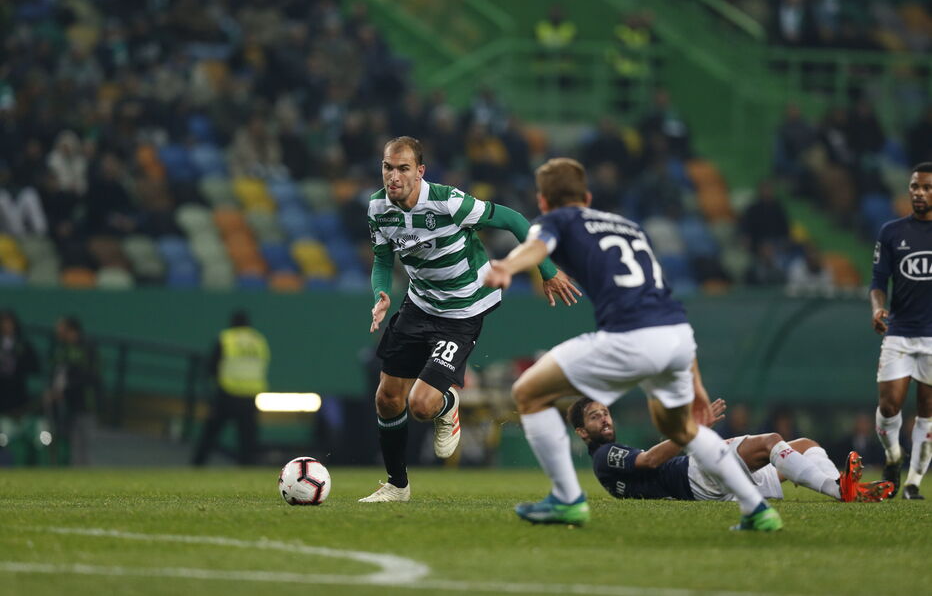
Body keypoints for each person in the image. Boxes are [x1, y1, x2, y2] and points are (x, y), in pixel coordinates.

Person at [483, 157, 782, 530]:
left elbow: (535, 246)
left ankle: (566, 499)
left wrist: (506, 268)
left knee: (527, 393)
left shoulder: (557, 219)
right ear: (587, 196)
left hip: (629, 336)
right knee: (683, 429)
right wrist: (696, 382)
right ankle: (756, 508)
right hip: (675, 336)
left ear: (543, 201)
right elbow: (664, 297)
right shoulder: (629, 226)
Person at [361, 136, 580, 502]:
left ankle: (448, 404)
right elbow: (383, 260)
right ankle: (397, 486)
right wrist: (380, 294)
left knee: (421, 405)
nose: (393, 176)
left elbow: (513, 219)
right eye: (387, 167)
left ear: (420, 172)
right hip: (419, 304)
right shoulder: (377, 208)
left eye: (403, 168)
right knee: (386, 398)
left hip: (462, 311)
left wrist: (546, 268)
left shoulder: (448, 201)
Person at [568, 396, 894, 504]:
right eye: (595, 418)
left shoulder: (605, 463)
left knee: (807, 445)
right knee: (770, 441)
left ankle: (842, 485)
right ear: (583, 432)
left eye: (605, 412)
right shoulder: (604, 455)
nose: (605, 419)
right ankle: (839, 489)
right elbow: (651, 459)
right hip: (696, 474)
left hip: (703, 487)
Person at [869, 162, 932, 500]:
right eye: (914, 187)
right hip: (900, 331)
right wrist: (878, 308)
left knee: (927, 410)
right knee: (890, 404)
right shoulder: (892, 232)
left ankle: (913, 483)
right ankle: (893, 455)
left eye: (926, 188)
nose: (918, 193)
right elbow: (878, 281)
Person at [192, 310, 270, 466]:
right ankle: (247, 468)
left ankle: (198, 464)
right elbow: (264, 363)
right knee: (247, 437)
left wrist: (212, 386)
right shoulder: (259, 340)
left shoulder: (226, 338)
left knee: (211, 431)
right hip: (250, 395)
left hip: (227, 393)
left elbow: (212, 366)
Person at [44, 316, 100, 466]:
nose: (58, 331)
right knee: (71, 442)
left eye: (61, 328)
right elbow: (56, 372)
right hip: (66, 404)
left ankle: (87, 471)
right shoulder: (61, 349)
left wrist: (66, 388)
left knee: (86, 441)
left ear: (71, 330)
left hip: (84, 402)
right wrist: (53, 390)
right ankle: (75, 470)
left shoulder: (87, 348)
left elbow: (90, 375)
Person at [0, 309, 40, 416]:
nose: (6, 326)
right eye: (3, 322)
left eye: (9, 323)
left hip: (17, 389)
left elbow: (34, 366)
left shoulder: (22, 344)